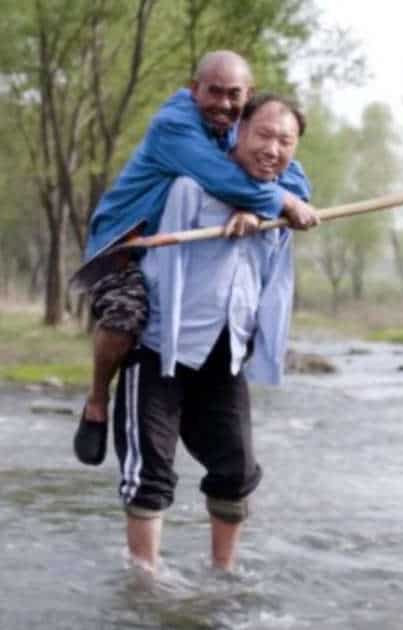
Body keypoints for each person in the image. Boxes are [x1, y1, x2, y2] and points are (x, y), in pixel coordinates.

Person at [74, 50, 318, 466]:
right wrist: (278, 201)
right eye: (214, 92)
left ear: (248, 96)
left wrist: (262, 206)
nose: (223, 104)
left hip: (173, 249)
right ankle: (97, 401)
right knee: (125, 315)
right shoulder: (175, 126)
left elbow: (291, 176)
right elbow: (223, 178)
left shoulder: (236, 128)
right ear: (194, 90)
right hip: (128, 245)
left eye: (234, 94)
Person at [113, 93, 307, 572]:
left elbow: (291, 197)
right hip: (161, 349)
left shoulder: (283, 198)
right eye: (263, 135)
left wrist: (262, 213)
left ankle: (223, 575)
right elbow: (207, 191)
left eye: (286, 141)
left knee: (237, 471)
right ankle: (145, 584)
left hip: (225, 355)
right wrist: (245, 202)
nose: (273, 149)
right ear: (237, 131)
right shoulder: (187, 186)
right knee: (150, 475)